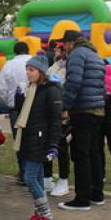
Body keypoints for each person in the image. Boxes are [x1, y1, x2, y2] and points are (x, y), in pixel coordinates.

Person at [57, 30, 106, 212]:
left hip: (83, 109)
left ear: (70, 43)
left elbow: (74, 82)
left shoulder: (77, 54)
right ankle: (97, 193)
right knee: (95, 152)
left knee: (80, 154)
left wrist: (64, 106)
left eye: (64, 45)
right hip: (98, 110)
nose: (64, 49)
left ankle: (82, 198)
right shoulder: (96, 56)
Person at [16, 55, 62, 220]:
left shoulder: (51, 91)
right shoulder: (33, 89)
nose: (28, 73)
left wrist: (53, 144)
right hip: (30, 138)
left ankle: (48, 218)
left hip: (41, 140)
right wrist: (19, 97)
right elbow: (25, 115)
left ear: (41, 72)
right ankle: (39, 214)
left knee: (29, 178)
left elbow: (55, 119)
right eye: (27, 69)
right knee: (37, 180)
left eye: (32, 69)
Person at [0, 42, 31, 182]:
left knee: (19, 141)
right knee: (33, 140)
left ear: (15, 52)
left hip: (15, 109)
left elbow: (2, 89)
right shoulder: (33, 61)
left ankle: (23, 172)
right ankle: (33, 173)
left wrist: (9, 102)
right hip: (33, 108)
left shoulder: (9, 65)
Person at [46, 41, 70, 197]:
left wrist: (66, 108)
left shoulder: (70, 67)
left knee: (61, 146)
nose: (56, 52)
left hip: (62, 113)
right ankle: (46, 177)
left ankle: (63, 179)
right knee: (47, 144)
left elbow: (70, 89)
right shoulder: (53, 66)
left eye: (58, 50)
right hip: (49, 110)